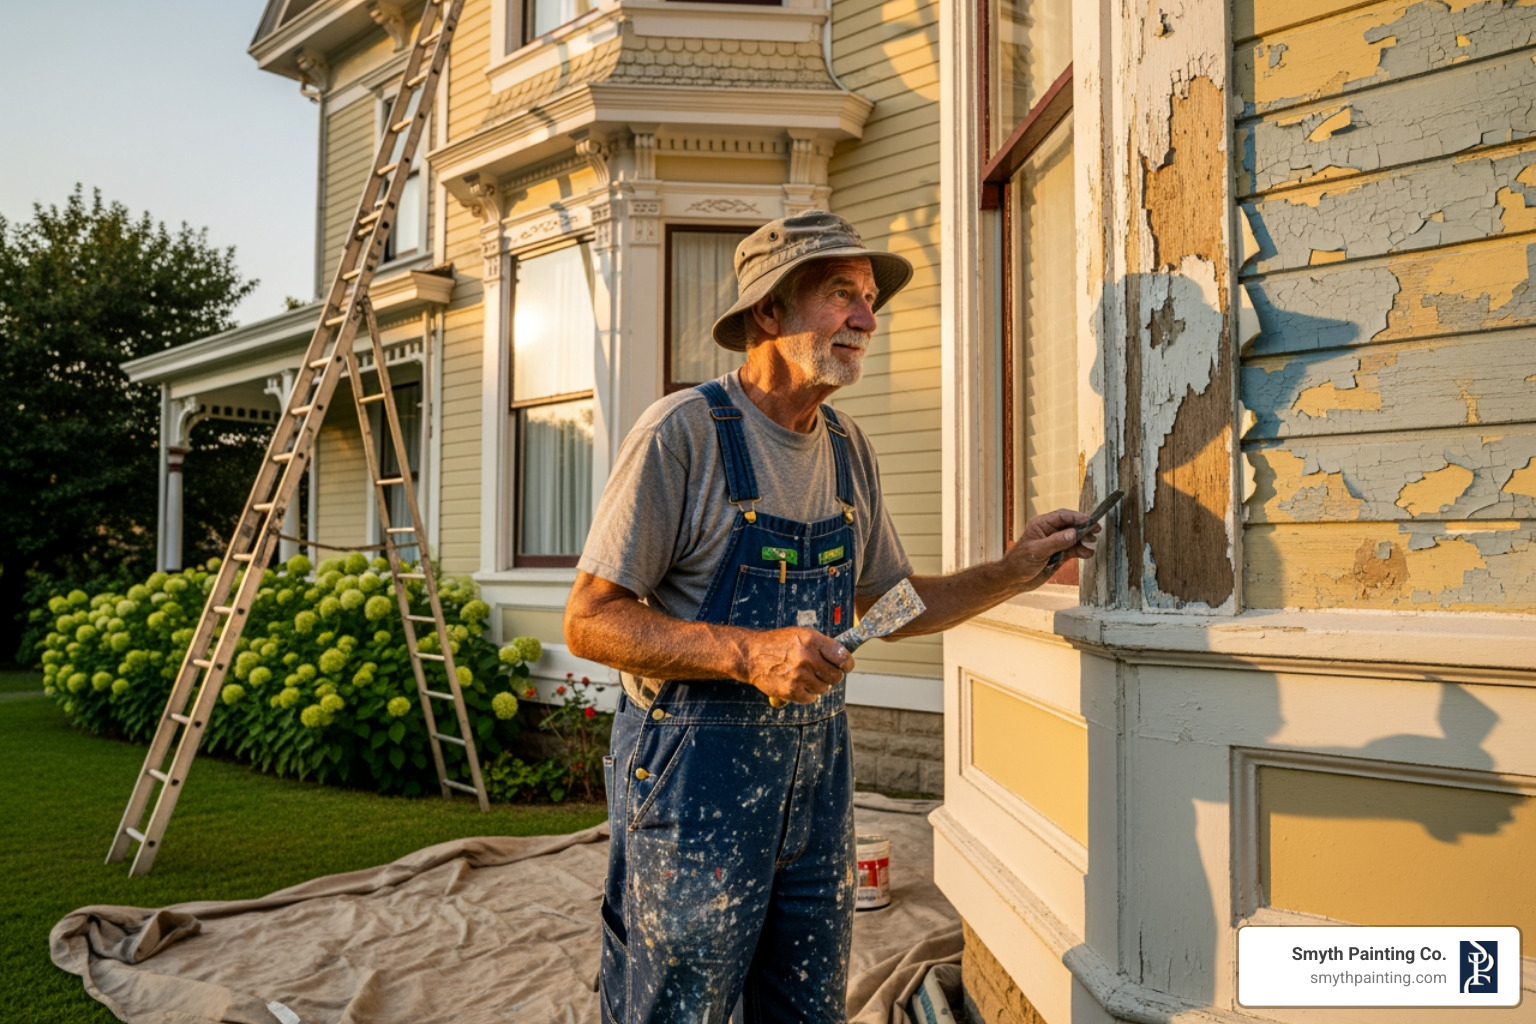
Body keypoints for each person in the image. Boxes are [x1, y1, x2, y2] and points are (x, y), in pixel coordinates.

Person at [564, 210, 1099, 1023]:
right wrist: (748, 654)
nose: (866, 318)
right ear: (769, 313)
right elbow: (590, 620)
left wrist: (1018, 570)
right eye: (841, 294)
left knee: (808, 1001)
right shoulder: (682, 435)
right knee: (678, 1003)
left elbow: (887, 605)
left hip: (817, 778)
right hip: (691, 775)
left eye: (870, 299)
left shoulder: (848, 448)